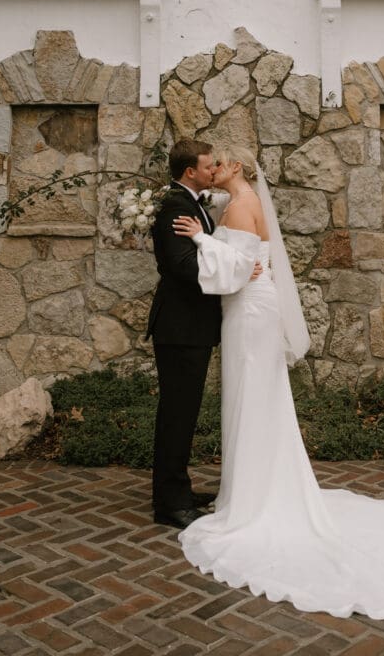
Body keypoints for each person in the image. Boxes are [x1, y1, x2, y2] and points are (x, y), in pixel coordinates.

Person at [171, 144, 384, 630]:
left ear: (239, 170)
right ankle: (248, 488)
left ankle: (255, 500)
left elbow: (231, 273)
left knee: (253, 399)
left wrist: (201, 241)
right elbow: (241, 261)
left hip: (248, 311)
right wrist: (211, 237)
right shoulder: (235, 203)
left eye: (222, 163)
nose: (216, 169)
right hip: (248, 308)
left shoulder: (244, 204)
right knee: (255, 400)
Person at [146, 138, 222, 529]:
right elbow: (183, 266)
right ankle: (169, 504)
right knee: (176, 415)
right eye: (209, 166)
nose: (214, 170)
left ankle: (179, 488)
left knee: (184, 413)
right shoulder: (176, 205)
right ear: (190, 170)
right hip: (180, 327)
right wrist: (229, 273)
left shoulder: (191, 201)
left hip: (189, 326)